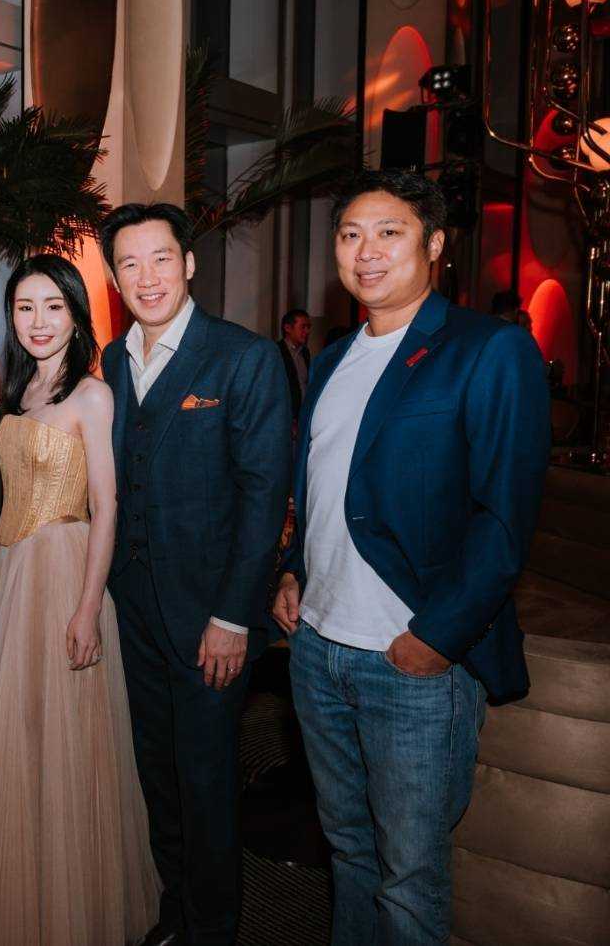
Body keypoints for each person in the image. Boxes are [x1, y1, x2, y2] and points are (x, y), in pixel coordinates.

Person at [271, 170, 550, 945]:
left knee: (408, 876)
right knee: (349, 852)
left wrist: (438, 636)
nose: (366, 251)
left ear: (433, 245)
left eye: (388, 232)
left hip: (410, 662)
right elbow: (322, 487)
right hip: (317, 649)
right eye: (350, 234)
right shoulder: (332, 357)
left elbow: (504, 519)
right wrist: (294, 569)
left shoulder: (488, 349)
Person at [0, 254, 159, 946]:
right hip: (7, 573)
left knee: (63, 743)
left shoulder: (92, 395)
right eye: (25, 307)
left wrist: (88, 606)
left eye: (52, 306)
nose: (37, 321)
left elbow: (107, 505)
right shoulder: (18, 393)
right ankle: (21, 904)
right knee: (15, 736)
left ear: (75, 314)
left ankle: (68, 911)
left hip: (62, 572)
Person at [99, 203, 292, 946]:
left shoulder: (243, 357)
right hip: (133, 610)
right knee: (157, 775)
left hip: (211, 617)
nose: (146, 276)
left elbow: (262, 497)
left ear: (188, 263)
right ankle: (175, 914)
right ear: (115, 278)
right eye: (129, 263)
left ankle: (213, 929)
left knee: (206, 781)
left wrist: (234, 616)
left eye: (160, 258)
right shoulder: (111, 361)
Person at [278, 308, 312, 419]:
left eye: (308, 327)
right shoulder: (277, 352)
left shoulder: (305, 353)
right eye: (303, 327)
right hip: (286, 416)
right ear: (288, 328)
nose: (307, 331)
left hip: (302, 415)